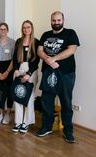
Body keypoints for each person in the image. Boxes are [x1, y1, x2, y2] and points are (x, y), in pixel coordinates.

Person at [36, 11, 80, 143]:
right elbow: (39, 50)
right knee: (47, 100)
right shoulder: (45, 34)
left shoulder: (70, 33)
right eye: (54, 20)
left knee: (66, 102)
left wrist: (54, 58)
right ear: (51, 21)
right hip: (48, 73)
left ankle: (68, 131)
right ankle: (47, 127)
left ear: (63, 20)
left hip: (66, 74)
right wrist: (47, 60)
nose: (56, 22)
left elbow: (71, 50)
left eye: (59, 20)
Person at [12, 20, 40, 133]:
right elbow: (14, 58)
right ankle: (18, 122)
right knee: (18, 95)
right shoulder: (19, 41)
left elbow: (36, 60)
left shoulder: (36, 42)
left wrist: (28, 74)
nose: (26, 29)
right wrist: (16, 70)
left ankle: (26, 122)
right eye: (24, 27)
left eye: (28, 27)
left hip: (31, 71)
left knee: (29, 98)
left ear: (31, 28)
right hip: (19, 69)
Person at [0, 23, 15, 124]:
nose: (3, 31)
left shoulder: (13, 42)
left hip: (9, 68)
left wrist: (7, 72)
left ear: (7, 30)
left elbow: (14, 60)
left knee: (10, 92)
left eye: (4, 29)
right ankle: (1, 113)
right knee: (1, 92)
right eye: (1, 29)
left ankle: (7, 114)